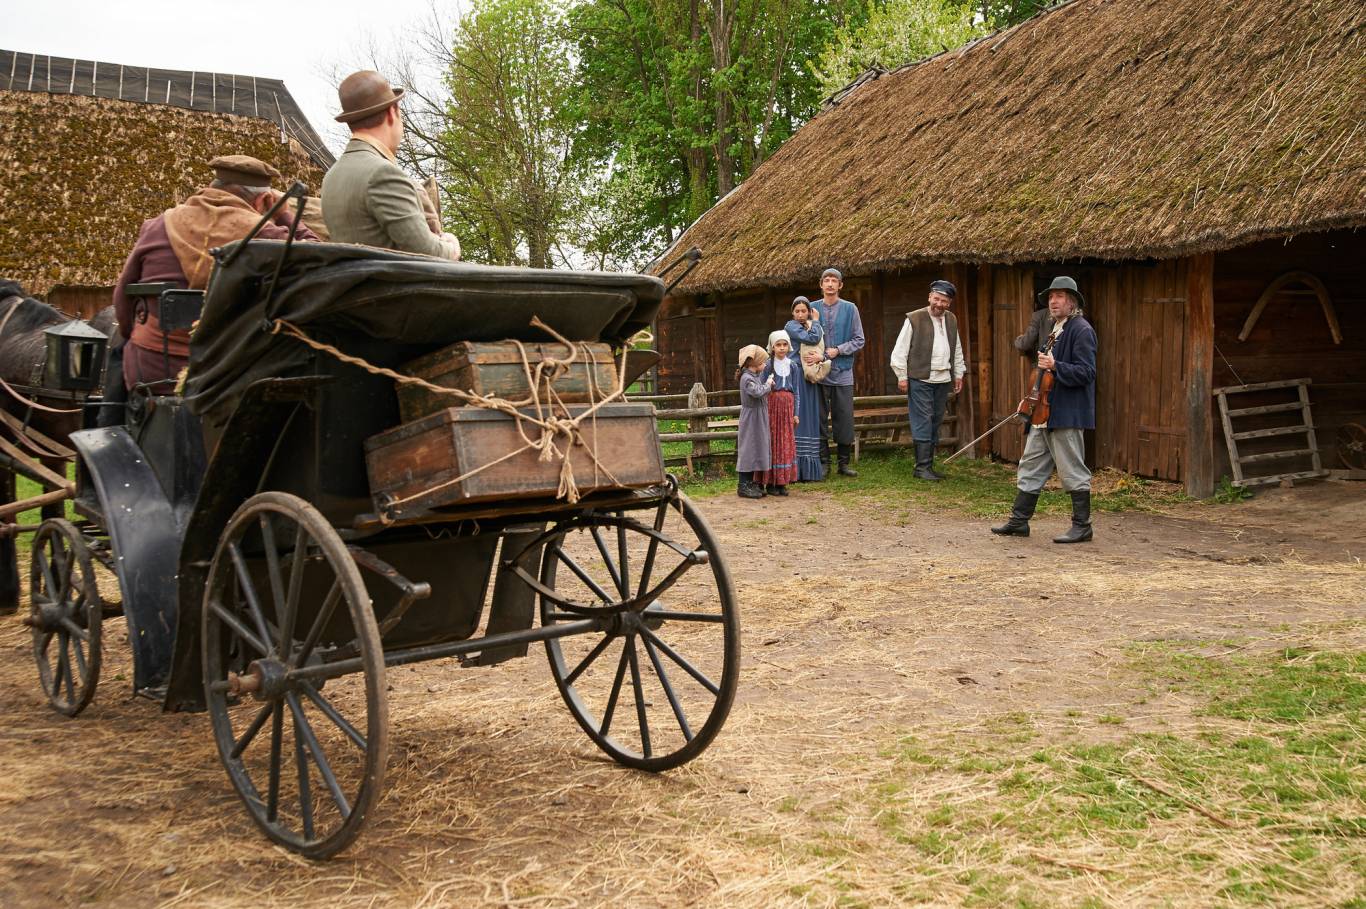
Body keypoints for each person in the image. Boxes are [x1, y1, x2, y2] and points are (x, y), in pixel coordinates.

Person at [112, 155, 319, 396]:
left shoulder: (158, 225)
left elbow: (122, 297)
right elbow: (320, 256)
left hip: (153, 369)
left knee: (120, 347)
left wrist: (133, 338)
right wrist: (284, 214)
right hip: (230, 373)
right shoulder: (267, 234)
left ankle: (108, 414)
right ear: (264, 200)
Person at [991, 276, 1097, 543]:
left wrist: (1056, 366)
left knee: (1072, 469)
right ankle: (1019, 521)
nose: (1053, 301)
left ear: (1072, 303)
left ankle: (1082, 526)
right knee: (1030, 465)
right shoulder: (1053, 330)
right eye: (1050, 297)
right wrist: (1030, 399)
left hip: (1065, 413)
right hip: (1042, 413)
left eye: (1059, 296)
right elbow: (1042, 374)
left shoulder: (1081, 330)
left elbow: (1087, 372)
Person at [321, 71, 461, 259]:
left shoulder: (331, 177)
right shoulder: (382, 173)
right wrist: (452, 245)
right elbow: (429, 254)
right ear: (392, 112)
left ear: (350, 121)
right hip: (397, 279)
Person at [889, 279, 966, 481]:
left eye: (944, 301)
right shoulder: (914, 318)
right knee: (922, 420)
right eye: (937, 299)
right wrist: (902, 376)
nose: (939, 304)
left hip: (943, 379)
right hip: (920, 378)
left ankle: (928, 466)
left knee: (935, 420)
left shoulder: (951, 319)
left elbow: (956, 348)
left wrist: (958, 373)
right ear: (930, 297)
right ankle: (921, 468)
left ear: (949, 303)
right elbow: (899, 351)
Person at [812, 268, 865, 478]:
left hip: (842, 372)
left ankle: (843, 464)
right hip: (818, 373)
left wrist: (838, 350)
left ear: (840, 285)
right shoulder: (812, 308)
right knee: (819, 417)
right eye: (826, 280)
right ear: (821, 284)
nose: (830, 284)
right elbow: (803, 336)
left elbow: (859, 339)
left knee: (844, 417)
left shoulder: (850, 309)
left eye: (834, 280)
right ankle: (823, 463)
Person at [784, 296, 826, 481]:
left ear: (808, 311)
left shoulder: (808, 326)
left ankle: (809, 469)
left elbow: (818, 342)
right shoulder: (791, 326)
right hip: (796, 375)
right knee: (798, 416)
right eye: (797, 311)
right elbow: (813, 338)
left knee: (809, 416)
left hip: (808, 376)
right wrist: (816, 321)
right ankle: (794, 468)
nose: (800, 314)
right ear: (792, 313)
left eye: (804, 311)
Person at [760, 330, 801, 495]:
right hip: (772, 407)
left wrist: (796, 413)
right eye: (778, 345)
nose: (782, 348)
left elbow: (796, 391)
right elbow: (762, 388)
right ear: (772, 347)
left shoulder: (793, 365)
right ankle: (771, 482)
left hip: (787, 408)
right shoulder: (768, 365)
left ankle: (783, 482)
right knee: (773, 441)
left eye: (785, 344)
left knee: (785, 442)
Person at [735, 344, 773, 499]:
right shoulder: (746, 378)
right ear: (754, 363)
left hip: (759, 416)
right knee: (748, 448)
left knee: (757, 447)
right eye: (763, 362)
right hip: (751, 418)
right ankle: (743, 485)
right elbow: (757, 392)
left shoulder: (755, 375)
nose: (765, 365)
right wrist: (768, 384)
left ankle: (751, 483)